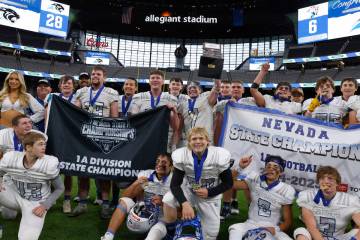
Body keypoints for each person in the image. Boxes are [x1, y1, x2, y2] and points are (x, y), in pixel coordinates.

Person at [145, 127, 233, 240]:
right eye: (194, 139)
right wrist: (185, 203)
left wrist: (209, 192)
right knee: (168, 199)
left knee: (210, 235)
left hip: (210, 197)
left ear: (208, 141)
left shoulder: (218, 155)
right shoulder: (182, 155)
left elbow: (228, 183)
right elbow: (175, 185)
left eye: (201, 138)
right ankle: (171, 228)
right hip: (191, 191)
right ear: (189, 142)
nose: (197, 141)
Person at [73, 66, 119, 219]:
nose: (95, 76)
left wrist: (111, 139)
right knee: (83, 172)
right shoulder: (81, 92)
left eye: (98, 74)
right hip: (84, 137)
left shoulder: (111, 93)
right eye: (93, 74)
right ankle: (82, 203)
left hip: (102, 138)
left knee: (103, 172)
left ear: (104, 77)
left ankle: (105, 205)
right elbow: (74, 113)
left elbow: (114, 118)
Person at [0, 131, 64, 240]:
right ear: (28, 147)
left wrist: (45, 205)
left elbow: (60, 188)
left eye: (44, 144)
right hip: (15, 195)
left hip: (35, 202)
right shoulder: (11, 157)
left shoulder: (49, 162)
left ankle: (18, 212)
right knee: (8, 216)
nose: (44, 147)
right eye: (40, 144)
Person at [101, 153, 173, 240]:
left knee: (153, 234)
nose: (159, 164)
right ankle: (108, 236)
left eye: (164, 162)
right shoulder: (146, 174)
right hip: (143, 212)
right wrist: (136, 183)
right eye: (158, 161)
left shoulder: (176, 181)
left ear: (171, 166)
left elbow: (180, 211)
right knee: (124, 201)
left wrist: (163, 203)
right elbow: (124, 196)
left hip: (162, 218)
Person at [228, 155, 295, 240]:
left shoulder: (286, 189)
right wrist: (240, 167)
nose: (271, 169)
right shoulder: (256, 179)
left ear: (281, 172)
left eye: (275, 167)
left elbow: (288, 221)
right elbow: (230, 184)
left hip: (272, 227)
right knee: (235, 229)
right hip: (251, 224)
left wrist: (276, 229)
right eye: (268, 166)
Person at [294, 166, 360, 240]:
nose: (326, 181)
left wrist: (354, 239)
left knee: (356, 231)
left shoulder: (350, 200)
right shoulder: (308, 196)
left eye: (330, 178)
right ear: (318, 182)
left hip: (338, 238)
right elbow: (311, 227)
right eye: (322, 178)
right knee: (301, 233)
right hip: (314, 236)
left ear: (337, 183)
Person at [43, 75, 77, 214]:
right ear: (59, 85)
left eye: (69, 83)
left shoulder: (77, 99)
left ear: (73, 86)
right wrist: (46, 134)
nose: (66, 85)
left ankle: (67, 200)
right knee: (49, 168)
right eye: (63, 83)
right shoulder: (51, 97)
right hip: (53, 136)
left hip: (69, 138)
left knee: (67, 170)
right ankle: (49, 198)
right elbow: (47, 116)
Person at [129, 70, 179, 152]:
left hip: (163, 138)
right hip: (143, 138)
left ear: (163, 81)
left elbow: (175, 127)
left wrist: (174, 111)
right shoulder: (139, 97)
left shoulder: (171, 98)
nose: (155, 80)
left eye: (158, 78)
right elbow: (134, 121)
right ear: (149, 81)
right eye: (152, 78)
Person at [177, 80, 220, 146]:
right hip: (189, 141)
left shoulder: (206, 100)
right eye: (189, 88)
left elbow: (216, 88)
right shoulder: (183, 105)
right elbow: (179, 126)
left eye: (194, 87)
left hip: (205, 140)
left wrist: (216, 77)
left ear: (200, 90)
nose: (192, 89)